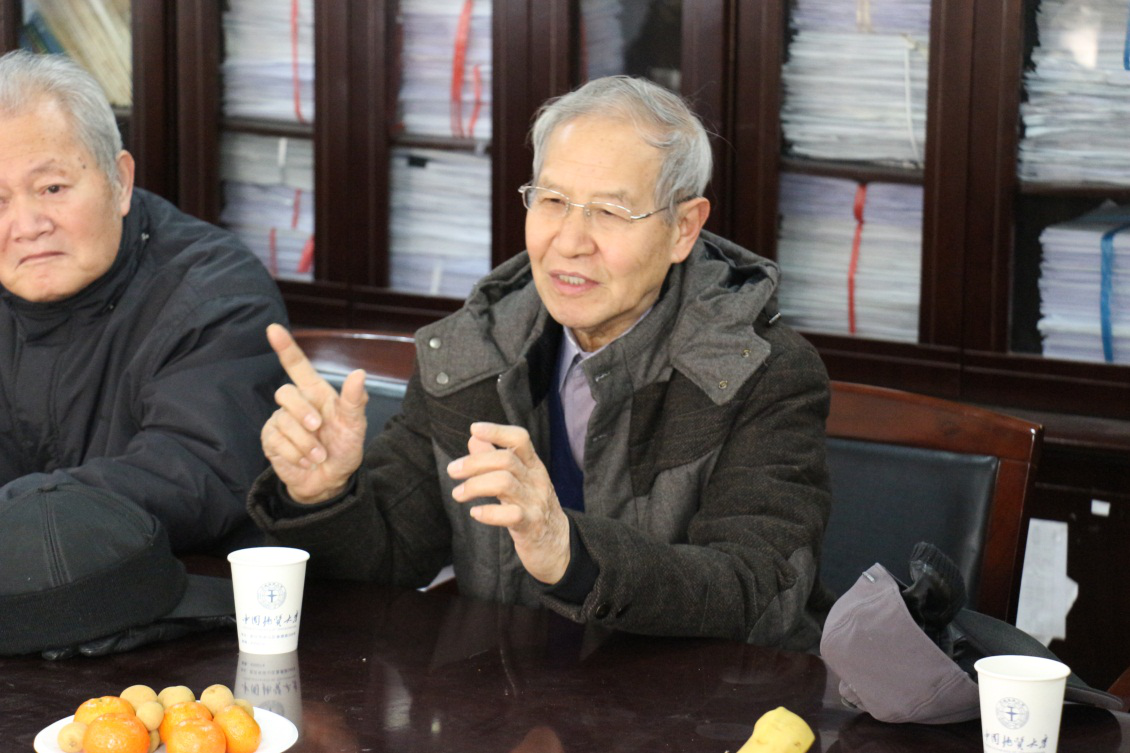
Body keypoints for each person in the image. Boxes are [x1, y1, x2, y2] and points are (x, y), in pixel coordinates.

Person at [250, 75, 832, 648]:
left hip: (696, 702)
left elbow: (760, 595)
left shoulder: (762, 372)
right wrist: (324, 496)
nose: (570, 242)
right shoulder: (473, 351)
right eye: (552, 201)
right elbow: (390, 562)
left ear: (684, 228)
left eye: (609, 212)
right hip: (512, 692)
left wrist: (569, 553)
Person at [0, 50, 288, 554]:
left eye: (52, 187)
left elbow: (194, 477)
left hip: (180, 586)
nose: (28, 226)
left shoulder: (217, 296)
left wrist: (13, 518)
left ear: (121, 182)